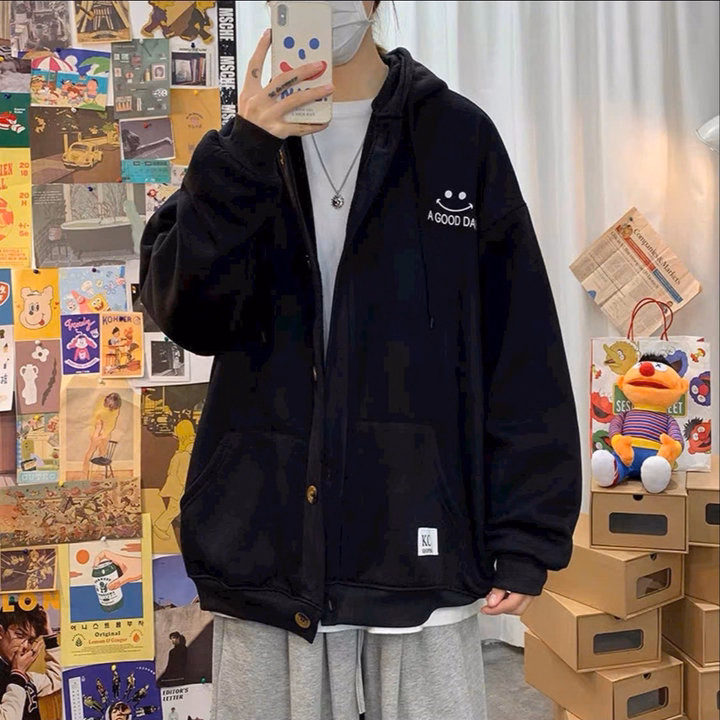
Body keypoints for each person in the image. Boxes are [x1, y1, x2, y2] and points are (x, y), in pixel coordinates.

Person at [139, 1, 582, 718]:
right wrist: (245, 151)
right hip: (269, 544)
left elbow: (520, 343)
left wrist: (530, 530)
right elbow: (184, 314)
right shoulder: (242, 148)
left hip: (419, 540)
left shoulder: (457, 137)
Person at [0, 604, 61, 720]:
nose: (25, 646)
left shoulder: (23, 675)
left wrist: (49, 636)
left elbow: (57, 677)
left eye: (31, 640)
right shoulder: (18, 674)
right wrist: (18, 673)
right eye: (19, 635)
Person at [82, 391, 122, 478]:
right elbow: (94, 416)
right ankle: (84, 475)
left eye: (110, 405)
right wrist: (95, 432)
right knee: (90, 451)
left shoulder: (116, 410)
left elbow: (112, 424)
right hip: (96, 427)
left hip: (106, 431)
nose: (107, 404)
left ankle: (100, 473)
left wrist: (104, 434)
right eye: (107, 402)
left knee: (103, 453)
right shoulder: (101, 399)